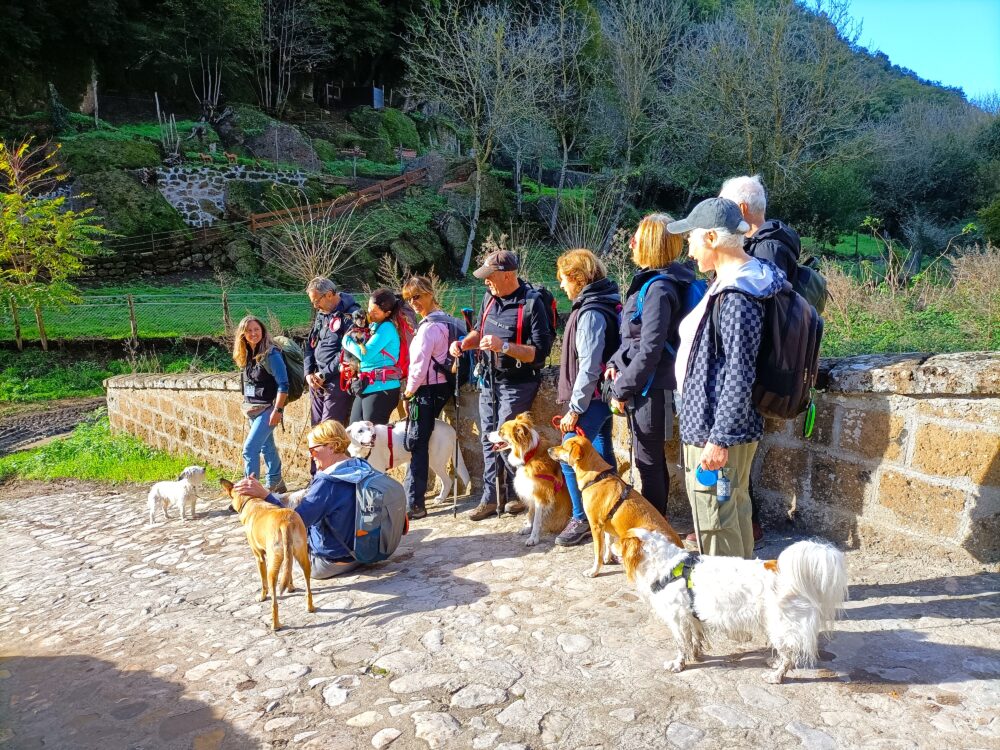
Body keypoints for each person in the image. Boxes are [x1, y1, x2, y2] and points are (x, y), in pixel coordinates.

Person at [669, 197, 783, 558]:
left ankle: (728, 607)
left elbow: (739, 371)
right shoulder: (733, 282)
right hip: (715, 424)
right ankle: (747, 596)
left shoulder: (739, 293)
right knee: (732, 509)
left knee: (716, 519)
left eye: (691, 239)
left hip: (716, 430)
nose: (688, 251)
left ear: (712, 239)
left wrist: (719, 439)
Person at [719, 175, 801, 544]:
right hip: (761, 366)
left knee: (738, 451)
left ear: (740, 209)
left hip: (757, 369)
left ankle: (743, 529)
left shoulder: (766, 250)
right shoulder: (771, 244)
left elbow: (761, 316)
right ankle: (741, 527)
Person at [604, 214, 697, 518]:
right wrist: (615, 363)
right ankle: (655, 525)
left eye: (636, 237)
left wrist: (620, 388)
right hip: (645, 383)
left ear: (649, 244)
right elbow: (631, 338)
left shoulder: (659, 288)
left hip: (653, 387)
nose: (631, 242)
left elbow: (651, 349)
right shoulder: (660, 282)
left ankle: (655, 529)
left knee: (649, 460)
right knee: (648, 458)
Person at [450, 250, 553, 521]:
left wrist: (504, 346)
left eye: (490, 277)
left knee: (508, 439)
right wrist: (464, 343)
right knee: (489, 439)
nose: (486, 282)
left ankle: (519, 496)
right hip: (489, 380)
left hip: (518, 382)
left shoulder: (531, 304)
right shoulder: (490, 298)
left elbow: (539, 353)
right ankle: (491, 498)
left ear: (508, 275)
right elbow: (479, 332)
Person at [234, 420, 375, 579]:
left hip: (331, 562)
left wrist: (265, 495)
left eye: (313, 450)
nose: (310, 455)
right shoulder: (361, 466)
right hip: (365, 551)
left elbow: (295, 524)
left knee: (281, 541)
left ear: (332, 446)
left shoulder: (327, 483)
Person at [553, 249, 621, 546]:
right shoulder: (606, 302)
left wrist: (574, 408)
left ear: (578, 279)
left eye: (564, 279)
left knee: (569, 458)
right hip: (604, 397)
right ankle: (614, 511)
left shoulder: (590, 311)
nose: (561, 286)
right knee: (603, 455)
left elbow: (589, 365)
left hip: (590, 399)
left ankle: (582, 518)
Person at [400, 276, 453, 520]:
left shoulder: (428, 328)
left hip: (425, 391)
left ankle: (415, 503)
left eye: (418, 296)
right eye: (410, 299)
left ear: (430, 293)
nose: (414, 303)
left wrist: (409, 391)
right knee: (421, 441)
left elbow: (419, 367)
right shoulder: (449, 321)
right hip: (443, 387)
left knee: (417, 444)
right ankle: (413, 497)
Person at [232, 314, 289, 493]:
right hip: (252, 409)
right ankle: (276, 482)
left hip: (268, 409)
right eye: (249, 330)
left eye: (257, 329)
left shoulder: (270, 354)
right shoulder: (247, 354)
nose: (253, 333)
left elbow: (283, 384)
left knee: (249, 450)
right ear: (243, 334)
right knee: (267, 446)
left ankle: (252, 491)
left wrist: (278, 410)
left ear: (263, 331)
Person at [342, 288, 406, 426]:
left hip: (382, 388)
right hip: (366, 385)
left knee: (372, 436)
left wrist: (346, 341)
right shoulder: (373, 326)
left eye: (375, 312)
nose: (370, 313)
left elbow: (365, 354)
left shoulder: (386, 328)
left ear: (387, 313)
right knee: (354, 431)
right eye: (370, 308)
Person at [304, 277, 361, 429]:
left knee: (329, 430)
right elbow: (311, 343)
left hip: (338, 380)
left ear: (329, 294)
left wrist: (324, 374)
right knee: (316, 428)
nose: (315, 306)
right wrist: (308, 372)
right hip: (316, 380)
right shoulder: (322, 313)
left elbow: (349, 351)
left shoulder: (353, 315)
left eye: (316, 301)